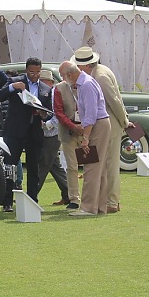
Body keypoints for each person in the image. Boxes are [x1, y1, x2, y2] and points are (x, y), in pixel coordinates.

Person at [72, 46, 132, 214]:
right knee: (104, 165)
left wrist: (124, 121)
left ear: (86, 66)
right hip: (106, 125)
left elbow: (114, 101)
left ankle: (112, 201)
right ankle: (106, 201)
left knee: (110, 165)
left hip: (109, 126)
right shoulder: (98, 73)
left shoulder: (100, 76)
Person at [0, 57, 51, 208]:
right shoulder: (16, 81)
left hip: (34, 132)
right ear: (26, 70)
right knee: (10, 166)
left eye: (38, 72)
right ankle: (7, 202)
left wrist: (43, 114)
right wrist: (12, 87)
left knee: (33, 168)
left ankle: (32, 201)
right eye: (32, 72)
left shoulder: (45, 89)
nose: (35, 75)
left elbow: (49, 112)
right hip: (15, 131)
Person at [59, 61, 111, 216]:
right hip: (99, 124)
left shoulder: (86, 85)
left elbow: (90, 114)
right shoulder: (85, 83)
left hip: (97, 126)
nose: (63, 79)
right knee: (98, 169)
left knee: (91, 167)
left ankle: (88, 207)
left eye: (63, 76)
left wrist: (86, 137)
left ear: (69, 74)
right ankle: (100, 206)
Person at [37, 70, 69, 206]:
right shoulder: (46, 94)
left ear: (49, 82)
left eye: (43, 82)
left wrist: (46, 125)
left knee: (43, 164)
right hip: (49, 133)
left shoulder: (54, 94)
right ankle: (69, 194)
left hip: (53, 134)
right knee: (55, 166)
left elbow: (58, 115)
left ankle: (31, 195)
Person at [52, 72, 84, 210]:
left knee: (91, 164)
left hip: (86, 131)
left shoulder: (87, 84)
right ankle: (74, 199)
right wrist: (72, 126)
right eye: (64, 75)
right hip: (68, 132)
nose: (67, 77)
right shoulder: (59, 88)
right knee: (71, 166)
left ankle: (91, 196)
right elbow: (58, 112)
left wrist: (85, 127)